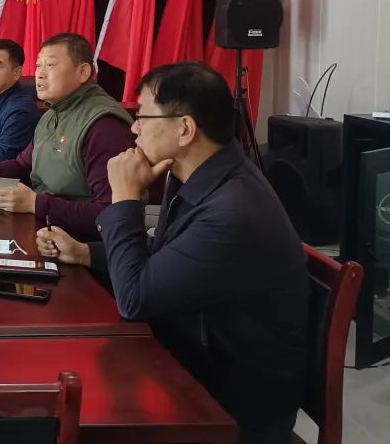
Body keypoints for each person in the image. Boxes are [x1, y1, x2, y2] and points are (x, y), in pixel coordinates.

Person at [36, 62, 308, 443]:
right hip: (188, 359)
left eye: (142, 116)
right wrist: (84, 253)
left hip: (225, 407)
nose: (133, 129)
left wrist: (124, 199)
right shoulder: (203, 174)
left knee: (60, 410)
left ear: (185, 129)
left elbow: (135, 299)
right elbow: (168, 257)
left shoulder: (232, 210)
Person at [0, 33, 133, 240]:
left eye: (50, 65)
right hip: (43, 227)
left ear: (83, 72)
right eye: (38, 65)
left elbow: (112, 214)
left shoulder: (104, 125)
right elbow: (23, 165)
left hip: (78, 243)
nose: (39, 74)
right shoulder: (52, 114)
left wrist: (35, 203)